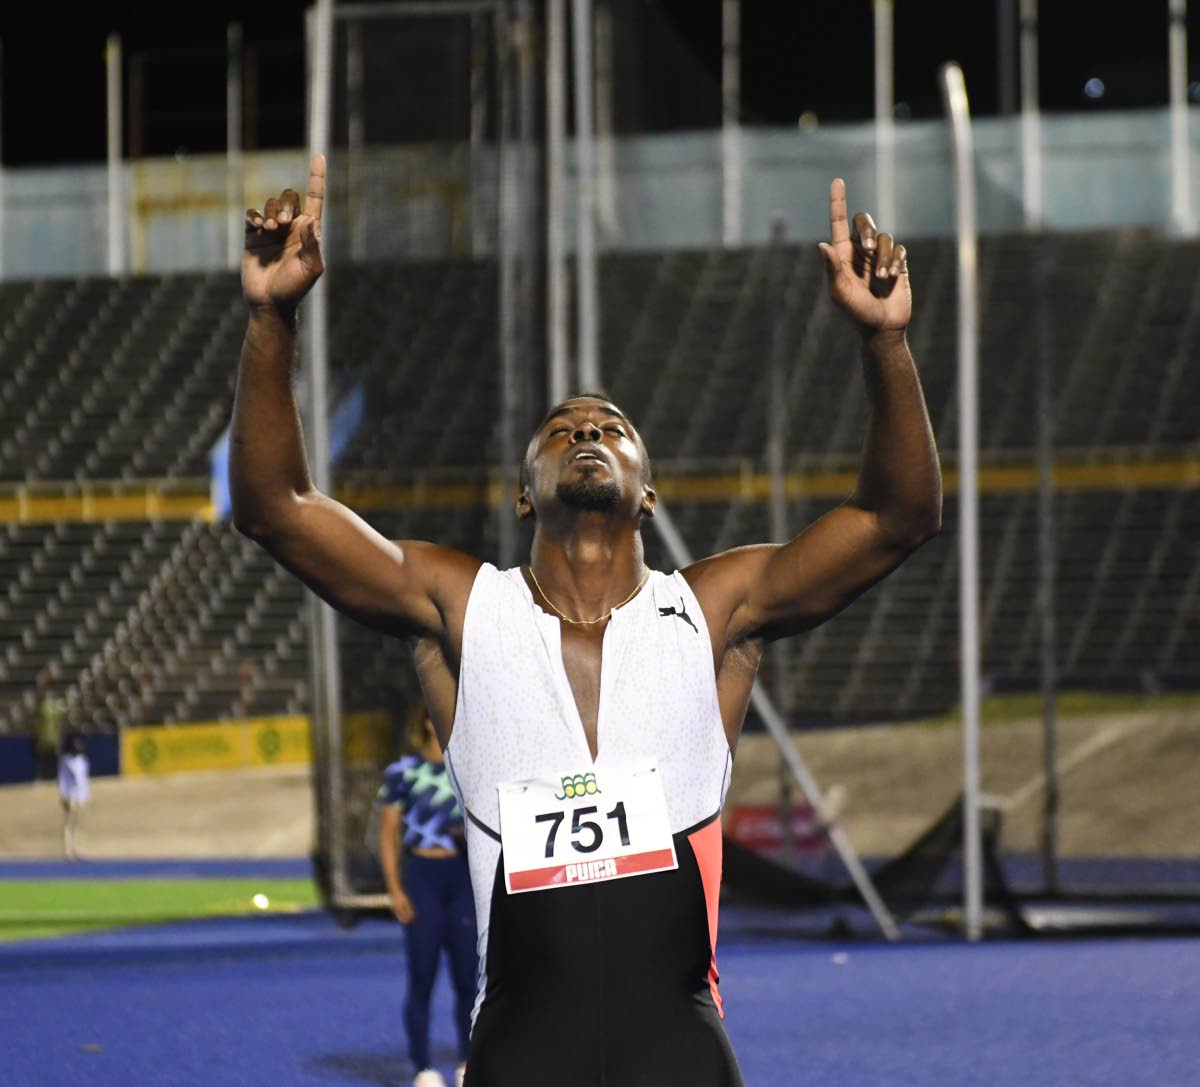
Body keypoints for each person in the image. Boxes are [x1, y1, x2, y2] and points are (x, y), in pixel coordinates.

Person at [232, 157, 940, 1087]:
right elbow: (275, 506)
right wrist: (270, 317)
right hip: (524, 1046)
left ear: (649, 491)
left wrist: (885, 343)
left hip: (678, 1045)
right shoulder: (461, 606)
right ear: (525, 495)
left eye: (609, 426)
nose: (586, 435)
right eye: (561, 431)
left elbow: (900, 517)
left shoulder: (716, 609)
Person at [377, 707, 477, 1087]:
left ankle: (469, 1059)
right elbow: (388, 833)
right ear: (424, 722)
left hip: (461, 876)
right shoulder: (402, 772)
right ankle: (422, 1065)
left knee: (468, 977)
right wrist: (395, 889)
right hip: (423, 877)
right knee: (423, 974)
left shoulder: (467, 767)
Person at [57, 733, 90, 860]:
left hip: (79, 796)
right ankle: (67, 851)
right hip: (69, 795)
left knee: (78, 824)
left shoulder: (83, 761)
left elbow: (84, 780)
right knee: (68, 824)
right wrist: (62, 794)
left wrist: (86, 795)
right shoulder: (66, 760)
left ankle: (77, 849)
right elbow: (62, 778)